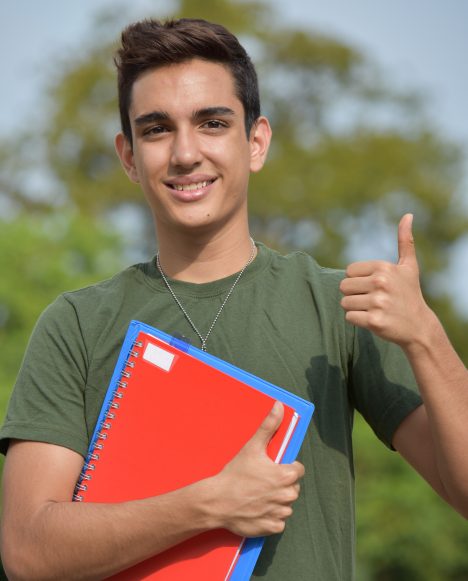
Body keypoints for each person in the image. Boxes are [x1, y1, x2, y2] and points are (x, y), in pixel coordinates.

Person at [1, 17, 467, 581]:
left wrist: (427, 337)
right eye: (156, 130)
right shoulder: (75, 325)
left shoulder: (338, 308)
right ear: (127, 156)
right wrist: (207, 505)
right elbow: (28, 551)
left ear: (256, 142)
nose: (185, 153)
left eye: (212, 123)